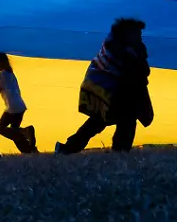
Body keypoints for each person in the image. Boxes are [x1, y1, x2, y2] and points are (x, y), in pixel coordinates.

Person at [57, 18, 153, 154]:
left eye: (139, 33)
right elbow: (123, 69)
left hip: (127, 92)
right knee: (105, 122)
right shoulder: (113, 46)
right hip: (112, 91)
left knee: (116, 122)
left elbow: (143, 70)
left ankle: (69, 149)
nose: (139, 36)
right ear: (126, 33)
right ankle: (69, 149)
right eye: (136, 33)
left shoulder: (138, 48)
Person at [0, 53, 37, 153]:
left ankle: (25, 131)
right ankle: (30, 151)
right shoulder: (10, 73)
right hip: (20, 105)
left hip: (12, 107)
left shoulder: (2, 74)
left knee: (1, 129)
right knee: (14, 133)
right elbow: (3, 88)